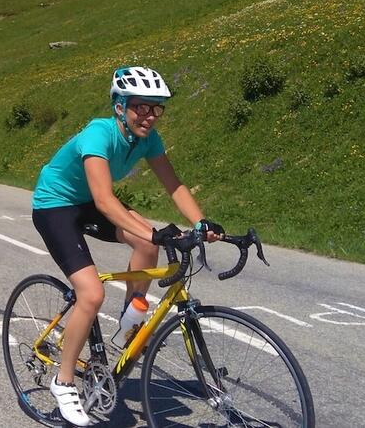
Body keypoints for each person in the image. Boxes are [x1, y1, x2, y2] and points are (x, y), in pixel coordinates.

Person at [31, 66, 224, 426]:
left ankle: (129, 320)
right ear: (120, 106)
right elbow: (106, 201)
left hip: (87, 202)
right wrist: (153, 232)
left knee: (146, 245)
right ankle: (64, 381)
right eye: (141, 107)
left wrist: (200, 223)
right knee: (90, 294)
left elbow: (175, 185)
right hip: (55, 205)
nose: (149, 116)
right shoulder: (98, 134)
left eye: (156, 108)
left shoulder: (148, 140)